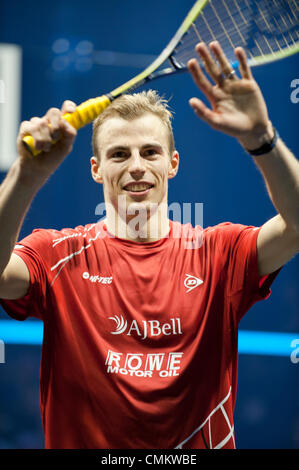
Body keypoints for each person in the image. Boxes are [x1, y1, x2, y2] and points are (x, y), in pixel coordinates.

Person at [0, 41, 298, 449]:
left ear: (172, 163)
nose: (136, 166)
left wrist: (262, 138)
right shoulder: (55, 254)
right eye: (119, 154)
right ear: (97, 169)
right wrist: (25, 175)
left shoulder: (220, 253)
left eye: (150, 152)